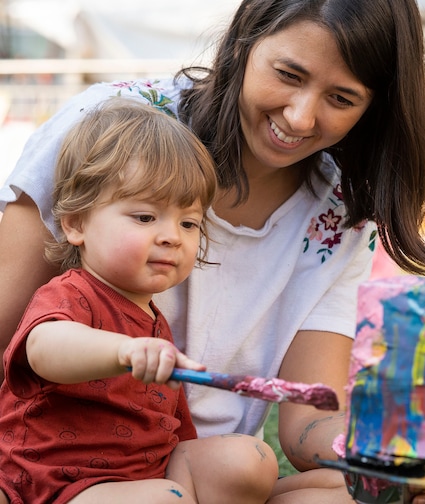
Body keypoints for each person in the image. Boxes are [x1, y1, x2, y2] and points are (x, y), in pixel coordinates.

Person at [0, 1, 425, 503]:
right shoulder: (111, 132)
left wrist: (386, 457)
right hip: (62, 471)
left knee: (354, 491)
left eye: (341, 98)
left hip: (197, 469)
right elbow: (18, 337)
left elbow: (308, 423)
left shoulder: (342, 210)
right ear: (245, 41)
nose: (300, 118)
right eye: (287, 74)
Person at [0, 98, 279, 504]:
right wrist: (125, 350)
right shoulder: (74, 293)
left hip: (144, 474)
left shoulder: (153, 321)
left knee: (249, 459)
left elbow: (168, 424)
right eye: (146, 217)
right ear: (77, 223)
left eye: (188, 223)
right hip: (52, 481)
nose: (172, 236)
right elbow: (43, 349)